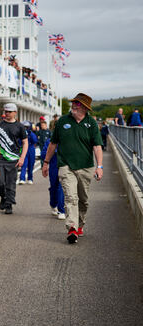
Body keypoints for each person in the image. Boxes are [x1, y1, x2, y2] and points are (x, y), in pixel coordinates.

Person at [42, 93, 103, 244]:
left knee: (83, 200)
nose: (74, 105)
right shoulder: (62, 121)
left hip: (86, 167)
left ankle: (80, 224)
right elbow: (53, 144)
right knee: (70, 197)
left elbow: (97, 146)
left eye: (78, 104)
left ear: (85, 108)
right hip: (65, 165)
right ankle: (72, 228)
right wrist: (46, 162)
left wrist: (100, 166)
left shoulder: (91, 123)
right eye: (74, 102)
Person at [0, 103, 28, 214]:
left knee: (11, 183)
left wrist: (22, 158)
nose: (6, 113)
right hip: (0, 159)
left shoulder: (20, 126)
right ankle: (3, 196)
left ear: (15, 113)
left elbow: (25, 142)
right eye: (5, 111)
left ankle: (9, 204)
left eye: (9, 111)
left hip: (14, 159)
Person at [40, 138, 65, 220]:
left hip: (65, 167)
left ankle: (61, 210)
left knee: (62, 187)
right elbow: (43, 153)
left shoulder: (69, 138)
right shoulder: (50, 140)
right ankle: (53, 204)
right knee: (54, 187)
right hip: (54, 166)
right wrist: (53, 152)